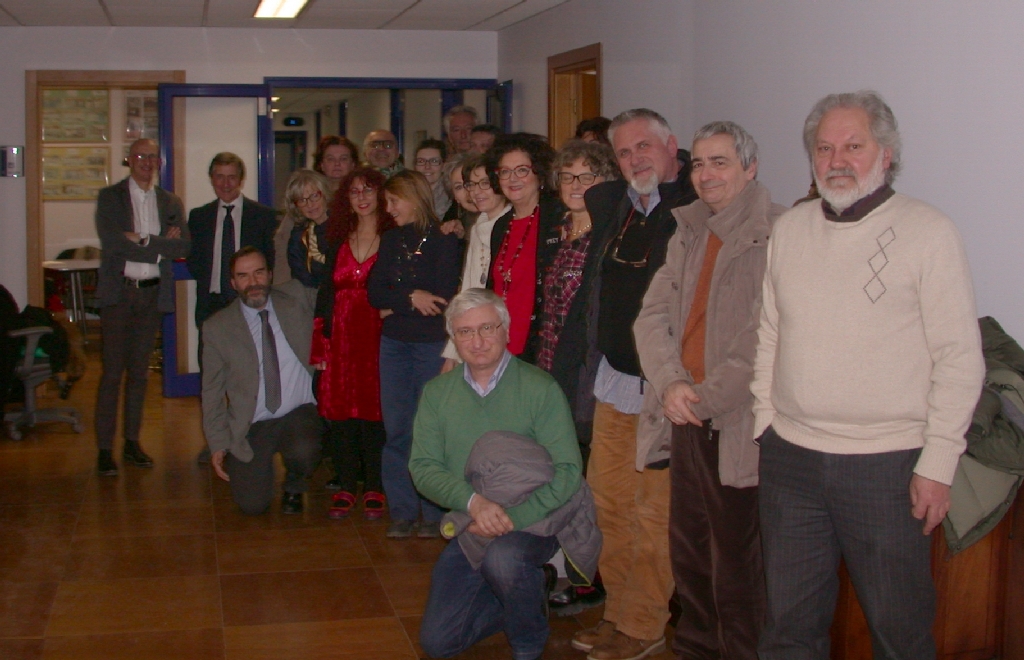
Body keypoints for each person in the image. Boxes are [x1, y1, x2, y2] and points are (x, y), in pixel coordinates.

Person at [751, 91, 985, 658]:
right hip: (792, 461)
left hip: (887, 466)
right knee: (786, 627)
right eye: (824, 147)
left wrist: (937, 462)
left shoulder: (929, 232)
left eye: (854, 146)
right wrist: (765, 422)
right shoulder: (791, 228)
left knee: (898, 631)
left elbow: (960, 357)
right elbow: (770, 333)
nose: (837, 159)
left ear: (886, 153)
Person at [634, 121, 784, 659]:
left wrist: (701, 398)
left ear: (750, 167)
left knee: (738, 568)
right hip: (685, 416)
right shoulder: (689, 229)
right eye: (698, 163)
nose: (706, 174)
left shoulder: (777, 234)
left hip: (737, 424)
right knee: (691, 555)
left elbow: (765, 335)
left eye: (719, 161)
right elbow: (650, 316)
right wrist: (672, 383)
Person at [570, 108, 697, 660]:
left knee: (654, 514)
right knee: (607, 505)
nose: (635, 159)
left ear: (673, 147)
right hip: (612, 382)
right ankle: (619, 611)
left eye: (644, 146)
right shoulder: (617, 208)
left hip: (661, 392)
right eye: (623, 153)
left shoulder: (694, 211)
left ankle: (643, 627)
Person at [412, 288, 587, 660]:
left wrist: (511, 517)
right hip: (472, 520)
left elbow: (569, 472)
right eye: (464, 332)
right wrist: (474, 505)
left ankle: (528, 641)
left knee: (504, 560)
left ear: (506, 330)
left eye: (486, 328)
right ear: (453, 339)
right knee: (438, 643)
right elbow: (423, 468)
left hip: (535, 518)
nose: (476, 341)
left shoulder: (541, 388)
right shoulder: (436, 393)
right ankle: (525, 593)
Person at [368, 170, 460, 539]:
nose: (389, 210)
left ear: (415, 197)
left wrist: (399, 300)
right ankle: (403, 511)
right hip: (393, 344)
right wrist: (409, 298)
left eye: (394, 201)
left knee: (429, 430)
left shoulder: (444, 240)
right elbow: (375, 293)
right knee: (397, 429)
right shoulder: (391, 240)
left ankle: (433, 510)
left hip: (429, 345)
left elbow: (439, 298)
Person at [94, 138, 191, 476]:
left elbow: (185, 245)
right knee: (111, 374)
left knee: (138, 375)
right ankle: (105, 450)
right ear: (129, 159)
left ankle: (132, 443)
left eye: (152, 156)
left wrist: (146, 240)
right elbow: (114, 244)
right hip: (120, 295)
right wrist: (162, 245)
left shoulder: (169, 201)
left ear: (159, 162)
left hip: (152, 295)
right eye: (140, 156)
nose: (146, 162)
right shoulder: (111, 198)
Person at [203, 247, 324, 516]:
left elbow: (336, 301)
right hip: (253, 422)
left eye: (259, 273)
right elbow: (211, 392)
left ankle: (295, 483)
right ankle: (258, 471)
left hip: (299, 412)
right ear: (233, 283)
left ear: (270, 275)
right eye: (243, 276)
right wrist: (218, 443)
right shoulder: (217, 328)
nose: (253, 282)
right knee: (252, 505)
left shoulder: (295, 296)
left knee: (305, 447)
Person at [313, 167, 394, 520]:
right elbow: (325, 294)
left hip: (379, 337)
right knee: (342, 413)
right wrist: (321, 344)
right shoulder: (337, 238)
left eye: (368, 191)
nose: (361, 198)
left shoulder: (394, 238)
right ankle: (346, 484)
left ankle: (375, 485)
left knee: (376, 412)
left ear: (381, 195)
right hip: (342, 339)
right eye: (354, 192)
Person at [485, 133, 566, 362]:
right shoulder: (501, 225)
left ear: (539, 174)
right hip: (501, 341)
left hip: (544, 342)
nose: (513, 178)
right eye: (505, 172)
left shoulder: (558, 218)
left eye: (522, 170)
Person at [187, 152, 278, 330]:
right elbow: (193, 260)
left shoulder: (264, 216)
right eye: (219, 177)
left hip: (250, 300)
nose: (225, 184)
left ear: (241, 180)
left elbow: (271, 260)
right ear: (212, 179)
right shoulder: (199, 217)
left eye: (231, 177)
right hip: (211, 304)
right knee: (211, 356)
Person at [440, 153, 513, 370]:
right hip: (474, 334)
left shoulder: (511, 225)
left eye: (485, 183)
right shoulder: (480, 224)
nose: (475, 192)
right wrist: (452, 354)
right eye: (471, 184)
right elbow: (469, 291)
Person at [283, 169, 333, 289]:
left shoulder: (346, 226)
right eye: (301, 200)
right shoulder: (299, 237)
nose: (310, 204)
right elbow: (301, 281)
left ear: (325, 194)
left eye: (314, 196)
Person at [438, 153, 478, 234]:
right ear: (455, 197)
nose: (467, 191)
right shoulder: (459, 224)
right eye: (459, 187)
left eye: (469, 183)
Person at [414, 138, 451, 219]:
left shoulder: (452, 195)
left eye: (434, 161)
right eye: (421, 161)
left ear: (444, 165)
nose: (427, 167)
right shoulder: (406, 194)